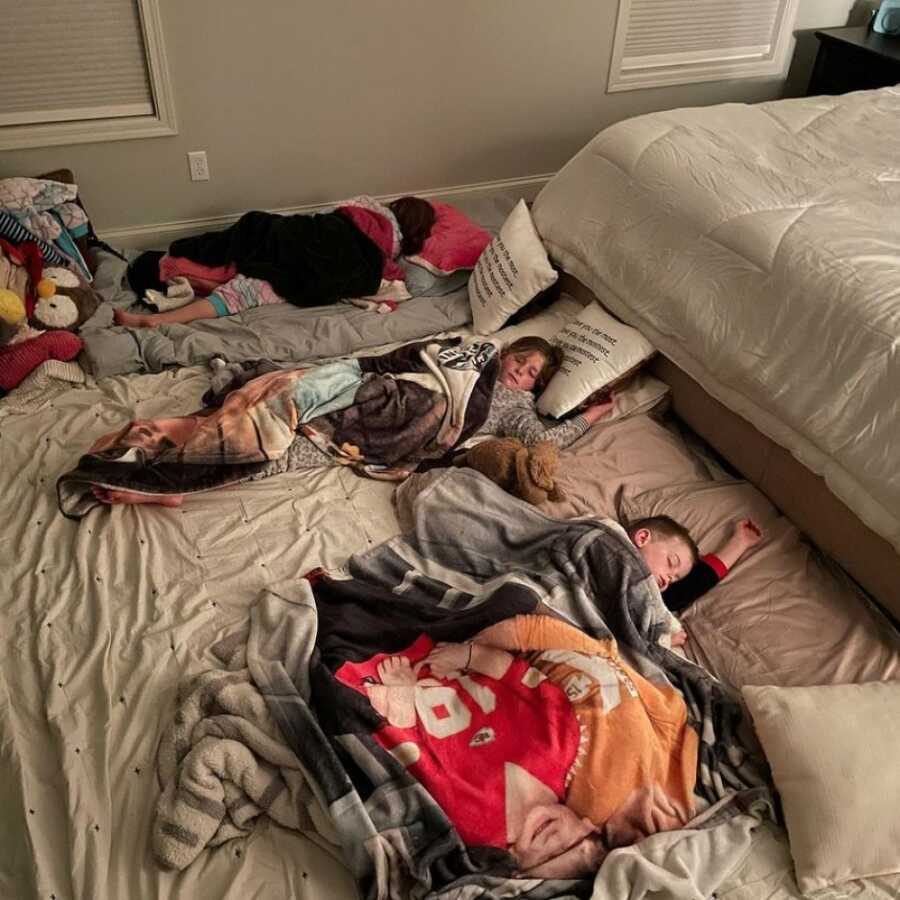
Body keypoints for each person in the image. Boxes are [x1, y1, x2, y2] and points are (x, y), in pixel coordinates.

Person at [89, 335, 616, 507]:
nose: (519, 376)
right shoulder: (471, 356)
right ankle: (189, 434)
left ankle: (159, 484)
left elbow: (548, 440)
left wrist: (589, 415)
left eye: (529, 377)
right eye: (518, 363)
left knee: (288, 450)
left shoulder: (518, 411)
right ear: (505, 354)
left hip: (410, 421)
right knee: (300, 387)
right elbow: (418, 357)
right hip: (396, 386)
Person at [114, 195, 437, 328]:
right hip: (312, 249)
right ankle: (160, 319)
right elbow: (388, 284)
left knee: (252, 240)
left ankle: (164, 308)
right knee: (249, 289)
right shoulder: (388, 253)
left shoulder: (365, 212)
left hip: (293, 236)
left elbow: (339, 213)